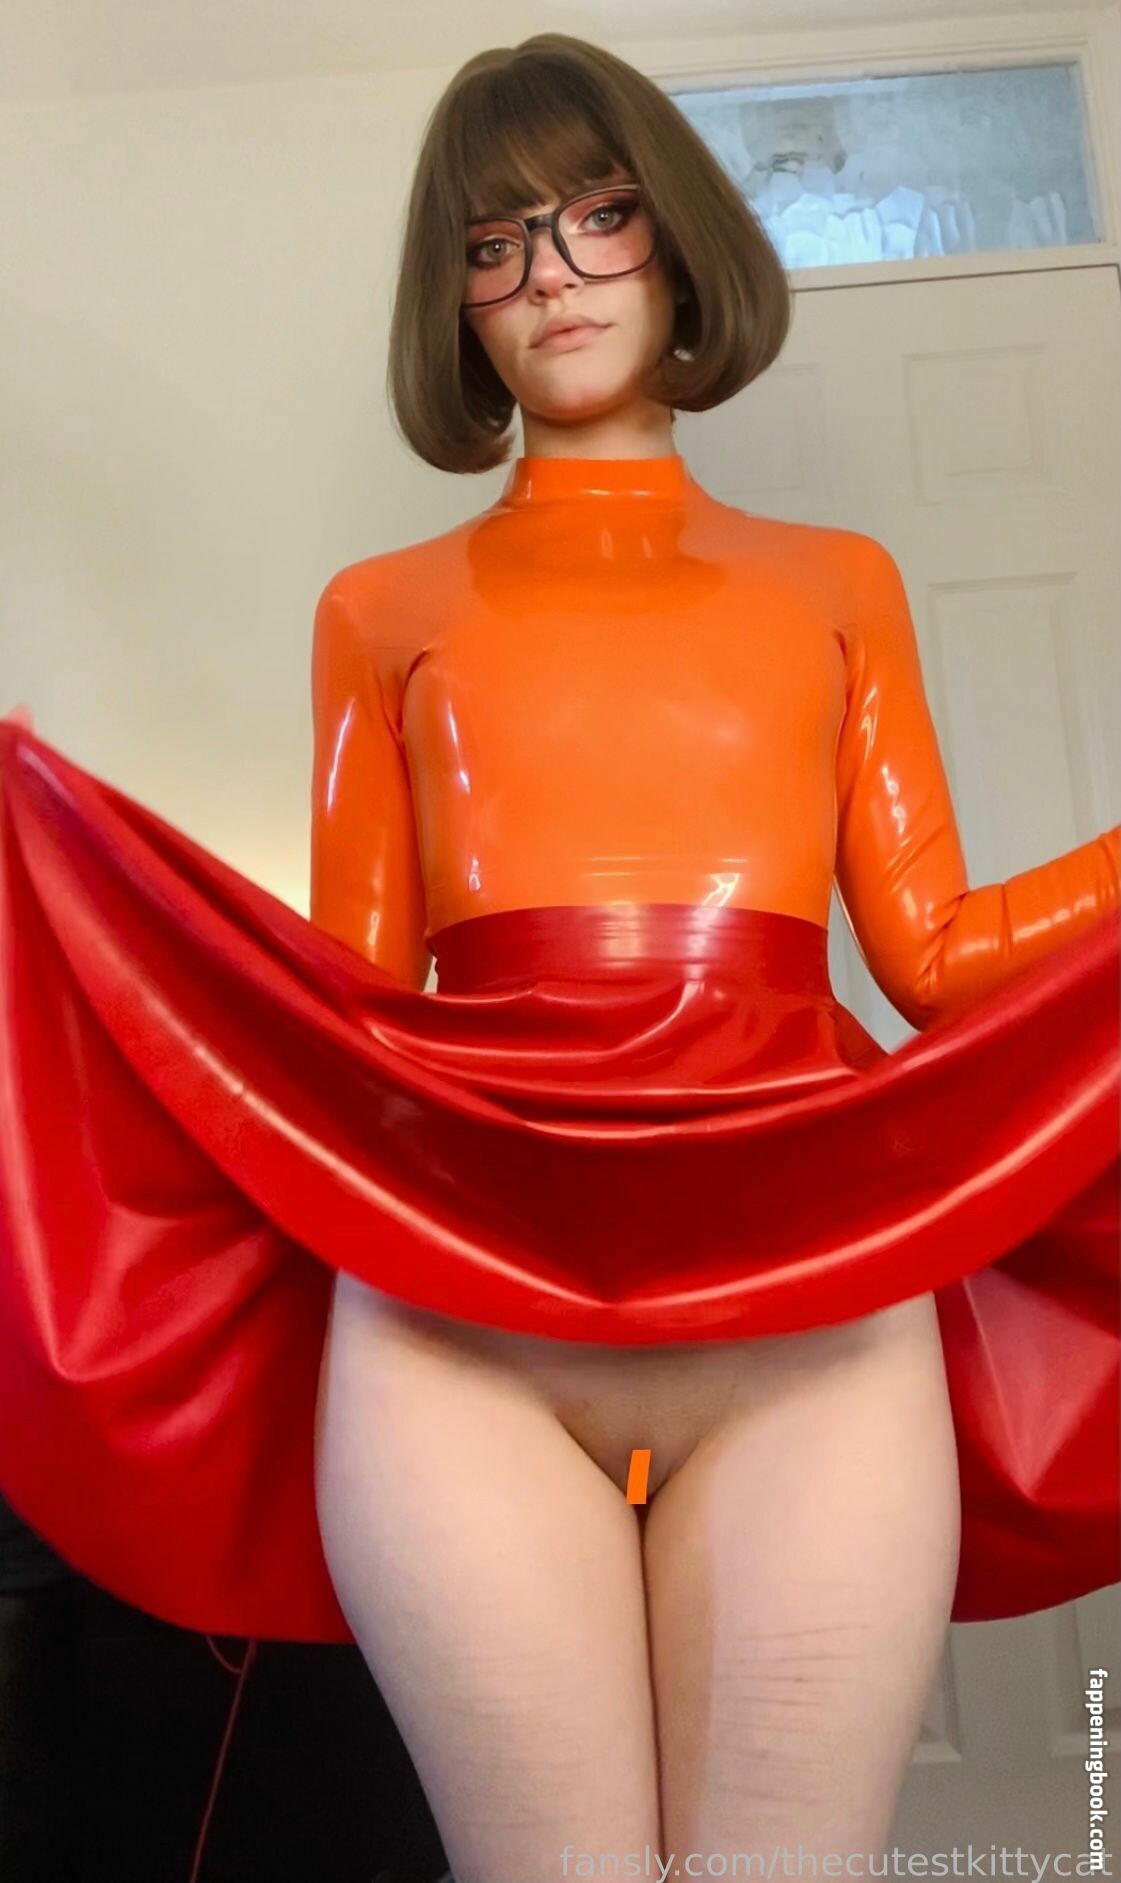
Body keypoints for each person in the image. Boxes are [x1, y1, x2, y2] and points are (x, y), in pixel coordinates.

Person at [0, 29, 1117, 1883]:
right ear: (454, 297)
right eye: (492, 242)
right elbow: (353, 1016)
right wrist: (105, 900)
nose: (548, 276)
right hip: (461, 1320)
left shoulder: (837, 581)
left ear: (671, 240)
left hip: (807, 1294)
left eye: (594, 217)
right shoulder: (378, 610)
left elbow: (934, 956)